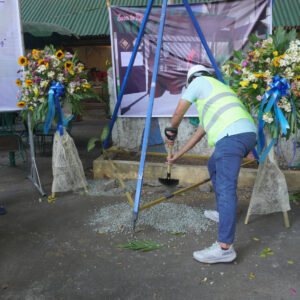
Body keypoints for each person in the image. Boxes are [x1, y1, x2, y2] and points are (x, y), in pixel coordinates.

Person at [165, 64, 257, 264]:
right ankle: (225, 212)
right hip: (246, 134)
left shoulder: (198, 82)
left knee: (226, 187)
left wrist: (171, 131)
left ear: (191, 80)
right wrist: (176, 155)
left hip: (231, 138)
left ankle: (224, 248)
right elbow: (198, 134)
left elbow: (178, 112)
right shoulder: (218, 92)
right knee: (213, 166)